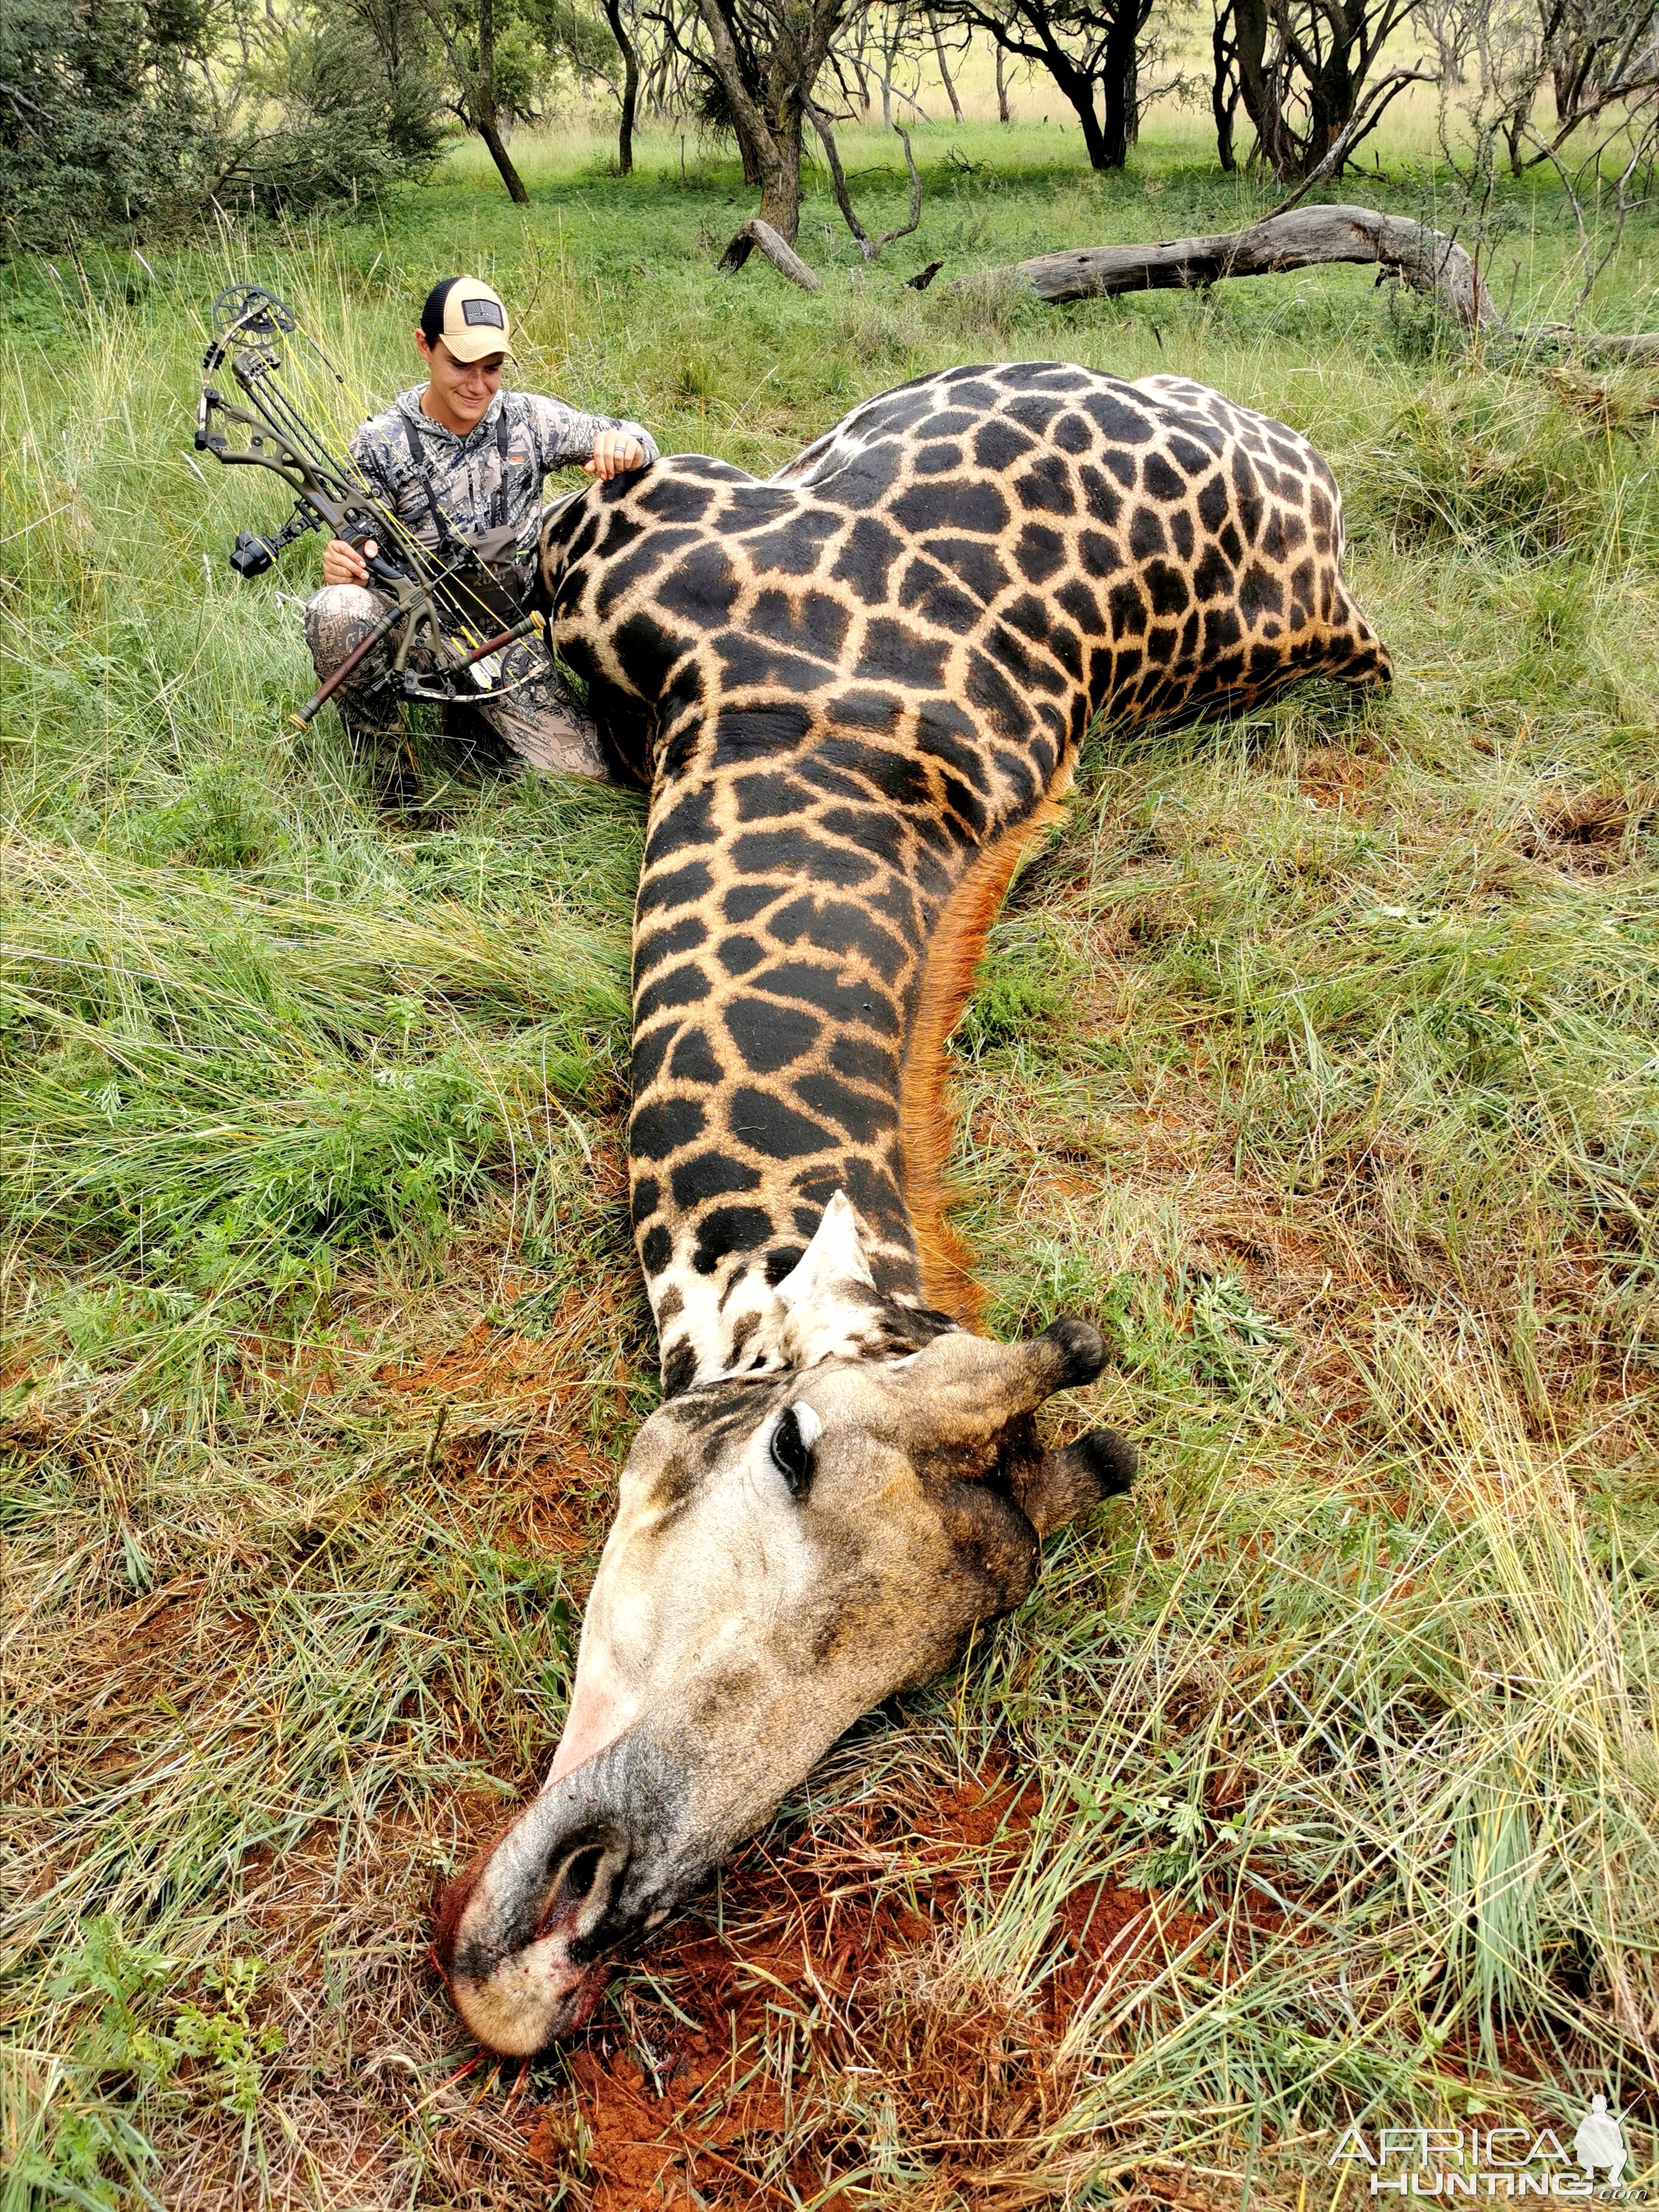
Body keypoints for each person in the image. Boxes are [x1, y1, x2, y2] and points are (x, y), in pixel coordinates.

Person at [304, 275, 657, 784]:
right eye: (460, 365)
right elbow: (360, 544)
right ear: (425, 346)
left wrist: (626, 446)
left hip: (506, 635)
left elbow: (634, 434)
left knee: (590, 776)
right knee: (336, 610)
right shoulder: (379, 443)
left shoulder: (529, 420)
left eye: (491, 369)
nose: (477, 385)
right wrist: (343, 565)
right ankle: (389, 780)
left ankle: (476, 720)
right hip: (417, 630)